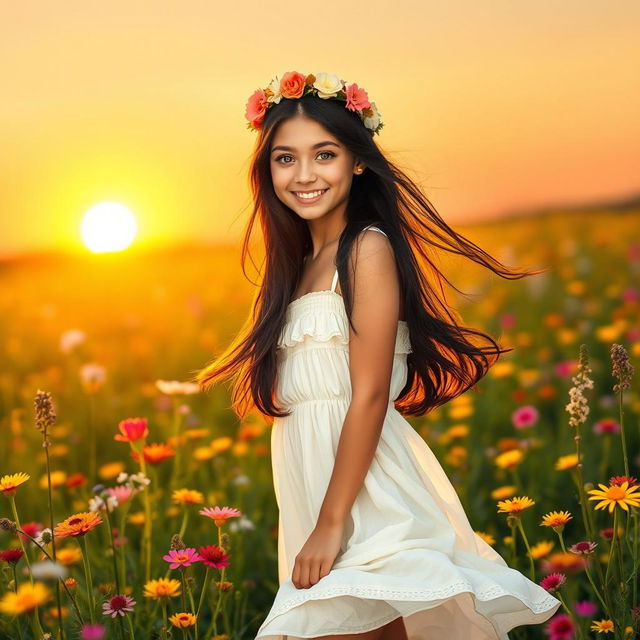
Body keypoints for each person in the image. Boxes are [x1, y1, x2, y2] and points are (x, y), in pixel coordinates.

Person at [194, 71, 562, 640]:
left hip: (362, 492)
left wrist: (332, 521)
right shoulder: (292, 268)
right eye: (285, 159)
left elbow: (367, 395)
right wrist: (315, 519)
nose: (305, 175)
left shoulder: (366, 249)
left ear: (357, 161)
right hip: (315, 487)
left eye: (325, 154)